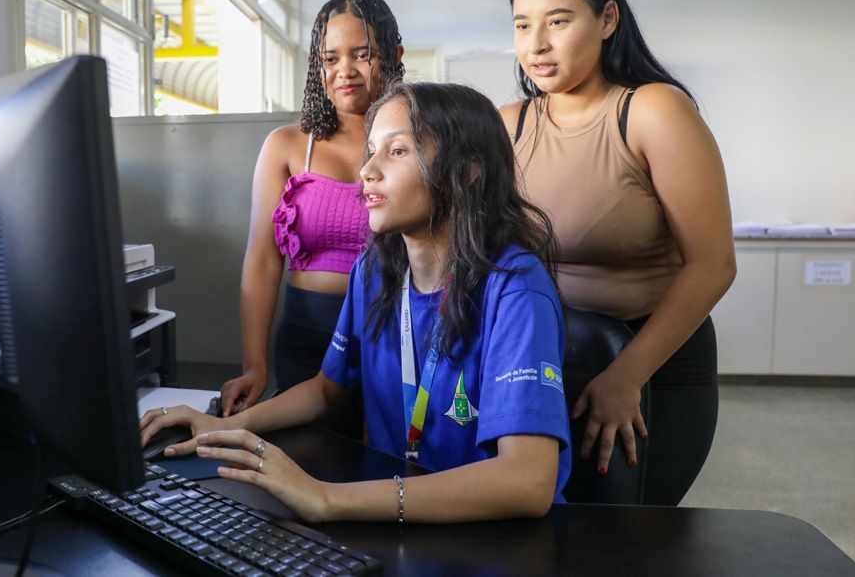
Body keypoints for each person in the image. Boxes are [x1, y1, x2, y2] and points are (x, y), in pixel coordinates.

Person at [142, 82, 570, 522]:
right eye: (370, 150)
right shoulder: (375, 269)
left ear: (467, 172)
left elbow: (528, 481)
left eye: (398, 151)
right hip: (398, 515)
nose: (367, 169)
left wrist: (326, 498)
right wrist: (225, 425)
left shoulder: (515, 289)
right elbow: (329, 388)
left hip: (494, 537)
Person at [499, 0, 736, 505]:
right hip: (546, 357)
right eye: (522, 25)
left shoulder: (654, 111)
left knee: (631, 544)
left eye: (558, 21)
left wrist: (627, 375)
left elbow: (713, 266)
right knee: (549, 534)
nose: (537, 44)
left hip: (650, 363)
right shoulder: (506, 124)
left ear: (607, 18)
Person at [219, 0, 405, 423]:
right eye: (330, 58)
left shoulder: (416, 142)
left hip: (393, 336)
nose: (345, 72)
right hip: (305, 339)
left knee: (382, 467)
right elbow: (263, 259)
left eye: (362, 55)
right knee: (308, 462)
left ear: (394, 55)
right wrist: (255, 364)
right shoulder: (286, 146)